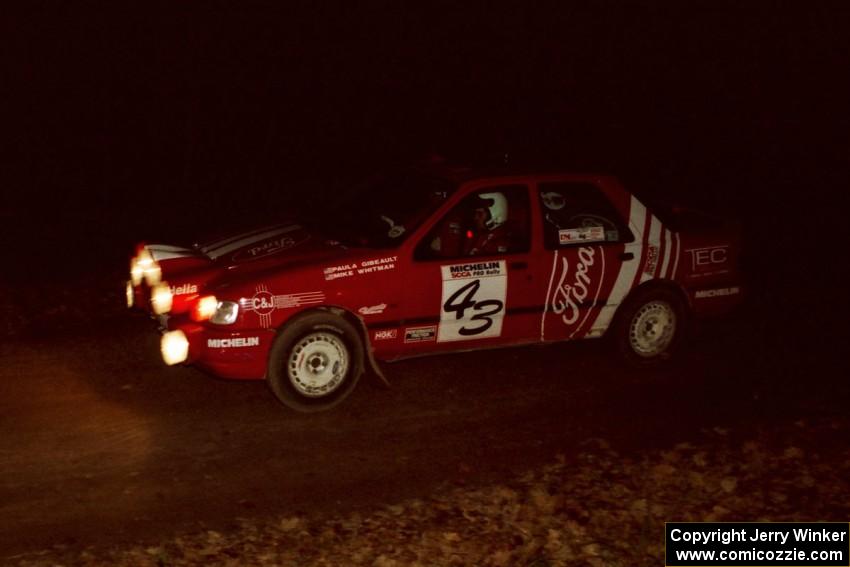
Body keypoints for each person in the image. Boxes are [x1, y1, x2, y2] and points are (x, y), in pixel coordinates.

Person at [464, 192, 512, 256]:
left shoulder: (501, 241)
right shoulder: (482, 235)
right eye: (475, 214)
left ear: (495, 215)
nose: (475, 218)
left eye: (480, 214)